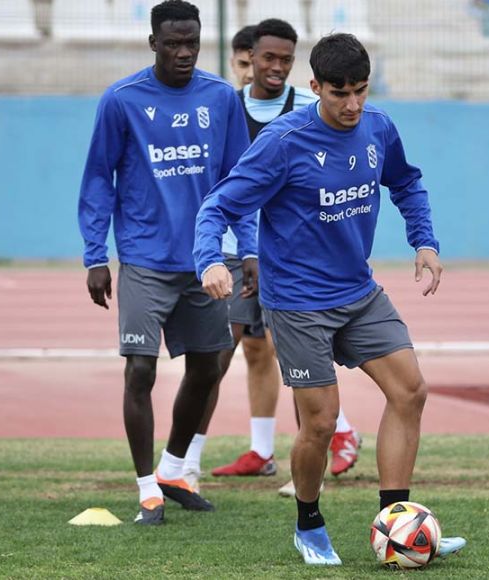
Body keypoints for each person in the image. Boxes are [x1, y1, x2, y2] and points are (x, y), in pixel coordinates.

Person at [193, 33, 466, 565]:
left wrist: (425, 242)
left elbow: (406, 184)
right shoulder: (282, 142)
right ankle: (309, 524)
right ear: (314, 86)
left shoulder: (379, 128)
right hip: (297, 303)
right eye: (340, 93)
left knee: (410, 392)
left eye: (361, 91)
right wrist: (208, 260)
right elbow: (217, 207)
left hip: (357, 292)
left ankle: (398, 525)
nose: (353, 105)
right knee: (320, 422)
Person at [77, 0, 252, 525]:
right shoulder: (122, 100)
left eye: (191, 43)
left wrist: (247, 248)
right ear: (152, 42)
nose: (183, 52)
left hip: (204, 260)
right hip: (144, 259)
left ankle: (174, 468)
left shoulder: (220, 98)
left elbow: (241, 181)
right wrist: (95, 255)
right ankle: (147, 487)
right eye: (172, 43)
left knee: (206, 368)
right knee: (140, 369)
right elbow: (96, 179)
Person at [184, 19, 362, 497]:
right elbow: (219, 182)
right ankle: (198, 461)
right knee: (226, 354)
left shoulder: (310, 109)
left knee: (300, 358)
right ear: (247, 59)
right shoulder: (228, 108)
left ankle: (325, 449)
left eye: (285, 59)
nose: (274, 67)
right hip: (237, 252)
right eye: (265, 58)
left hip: (292, 260)